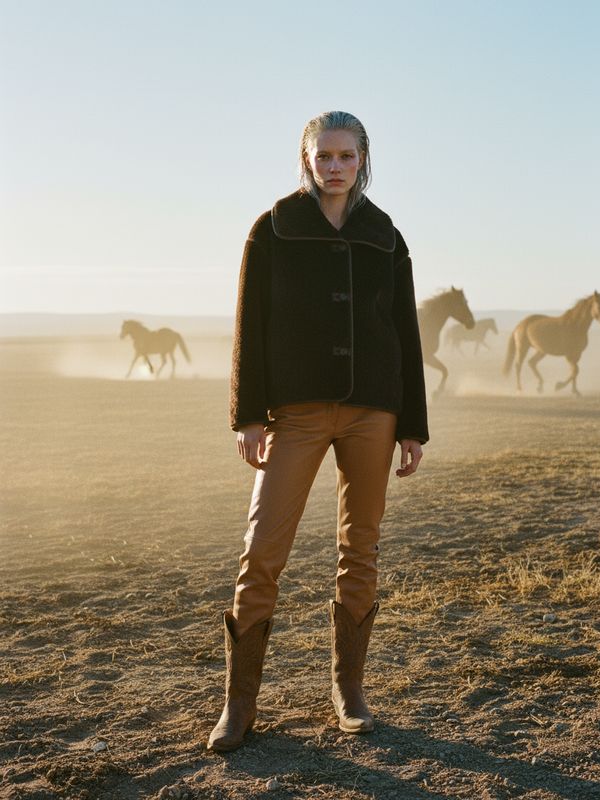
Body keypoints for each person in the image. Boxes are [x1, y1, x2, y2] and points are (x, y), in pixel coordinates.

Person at [208, 111, 429, 752]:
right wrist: (247, 416)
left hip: (373, 412)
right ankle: (239, 707)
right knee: (261, 552)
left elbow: (405, 335)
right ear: (305, 159)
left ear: (364, 160)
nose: (334, 167)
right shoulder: (272, 229)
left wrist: (411, 425)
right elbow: (249, 324)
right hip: (295, 415)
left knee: (360, 551)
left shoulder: (386, 235)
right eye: (323, 156)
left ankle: (350, 695)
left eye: (346, 156)